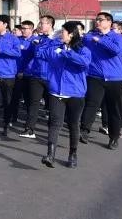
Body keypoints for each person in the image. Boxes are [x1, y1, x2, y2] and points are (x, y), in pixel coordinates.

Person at [37, 21, 91, 168]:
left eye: (63, 32)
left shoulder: (83, 50)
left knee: (73, 124)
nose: (61, 34)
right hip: (56, 92)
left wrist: (66, 52)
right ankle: (50, 155)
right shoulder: (56, 48)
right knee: (54, 123)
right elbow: (39, 54)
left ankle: (72, 154)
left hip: (75, 93)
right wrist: (47, 40)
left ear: (71, 34)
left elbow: (83, 63)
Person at [79, 12, 122, 150]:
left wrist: (100, 40)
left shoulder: (118, 38)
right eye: (96, 20)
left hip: (116, 78)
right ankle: (84, 131)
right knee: (92, 103)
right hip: (95, 77)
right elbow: (79, 46)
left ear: (109, 22)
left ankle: (114, 137)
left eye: (100, 20)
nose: (97, 22)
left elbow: (116, 50)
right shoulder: (89, 37)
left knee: (114, 108)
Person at [20, 15, 55, 139]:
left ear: (50, 24)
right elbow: (33, 54)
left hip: (51, 77)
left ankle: (52, 131)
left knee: (52, 105)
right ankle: (29, 129)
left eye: (42, 23)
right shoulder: (38, 39)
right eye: (40, 23)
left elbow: (49, 55)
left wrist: (40, 47)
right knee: (33, 103)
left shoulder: (57, 39)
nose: (40, 25)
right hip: (36, 75)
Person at [6, 20, 35, 135]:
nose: (22, 30)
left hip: (29, 74)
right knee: (14, 97)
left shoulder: (35, 41)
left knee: (29, 100)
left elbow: (33, 57)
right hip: (16, 73)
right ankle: (12, 118)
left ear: (31, 29)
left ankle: (29, 123)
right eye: (22, 28)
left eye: (25, 28)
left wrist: (24, 71)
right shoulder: (17, 40)